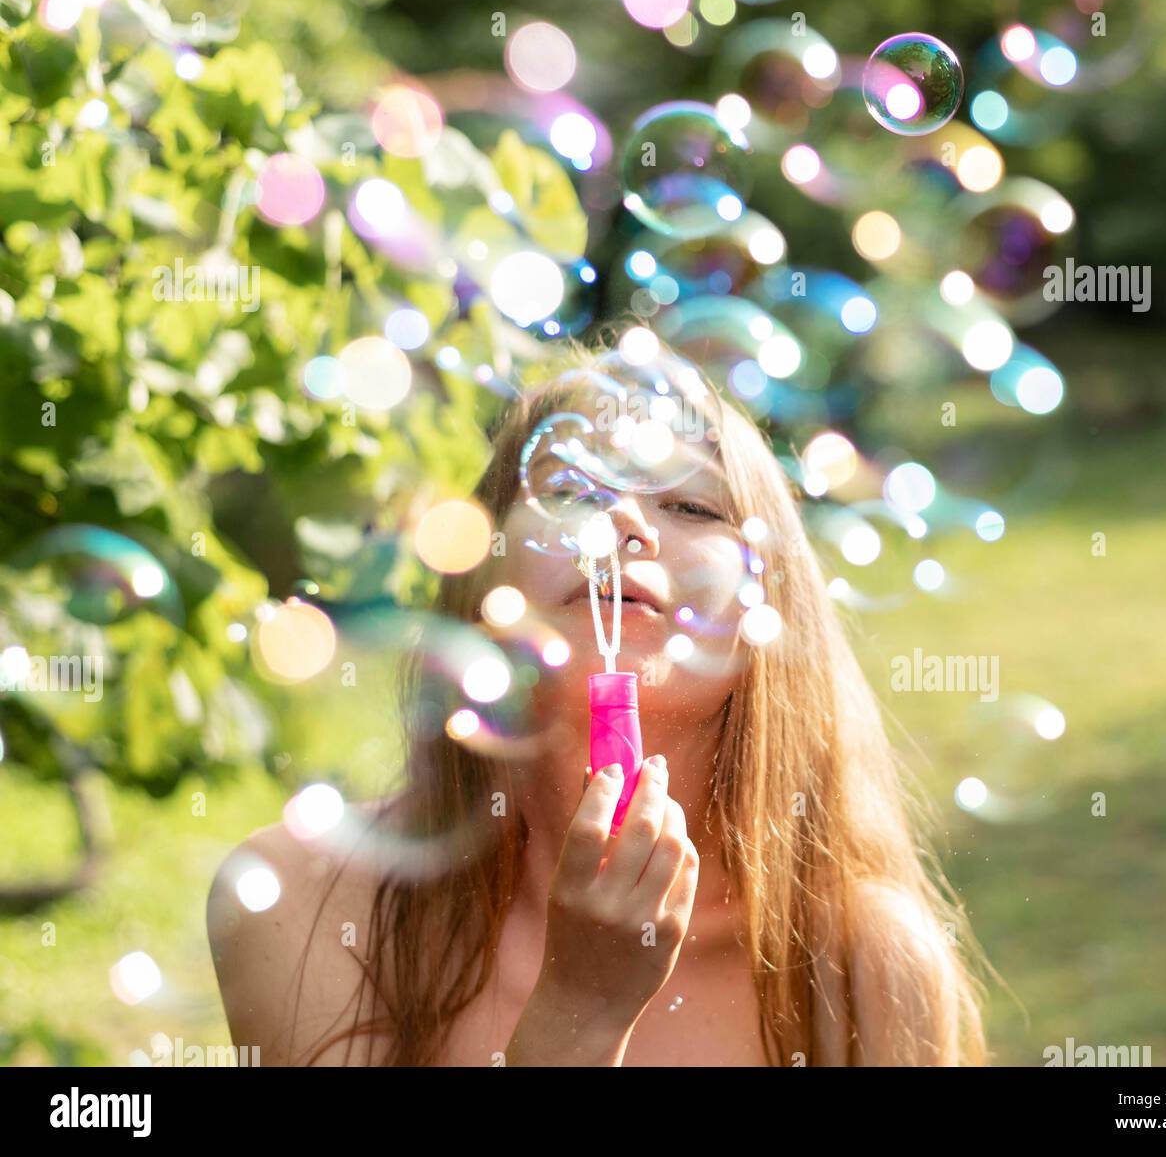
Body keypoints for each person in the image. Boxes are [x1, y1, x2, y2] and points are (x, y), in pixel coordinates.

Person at [207, 339, 990, 1066]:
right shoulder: (298, 901)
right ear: (484, 584)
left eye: (689, 506)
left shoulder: (863, 963)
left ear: (771, 612)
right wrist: (581, 1005)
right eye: (570, 493)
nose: (619, 522)